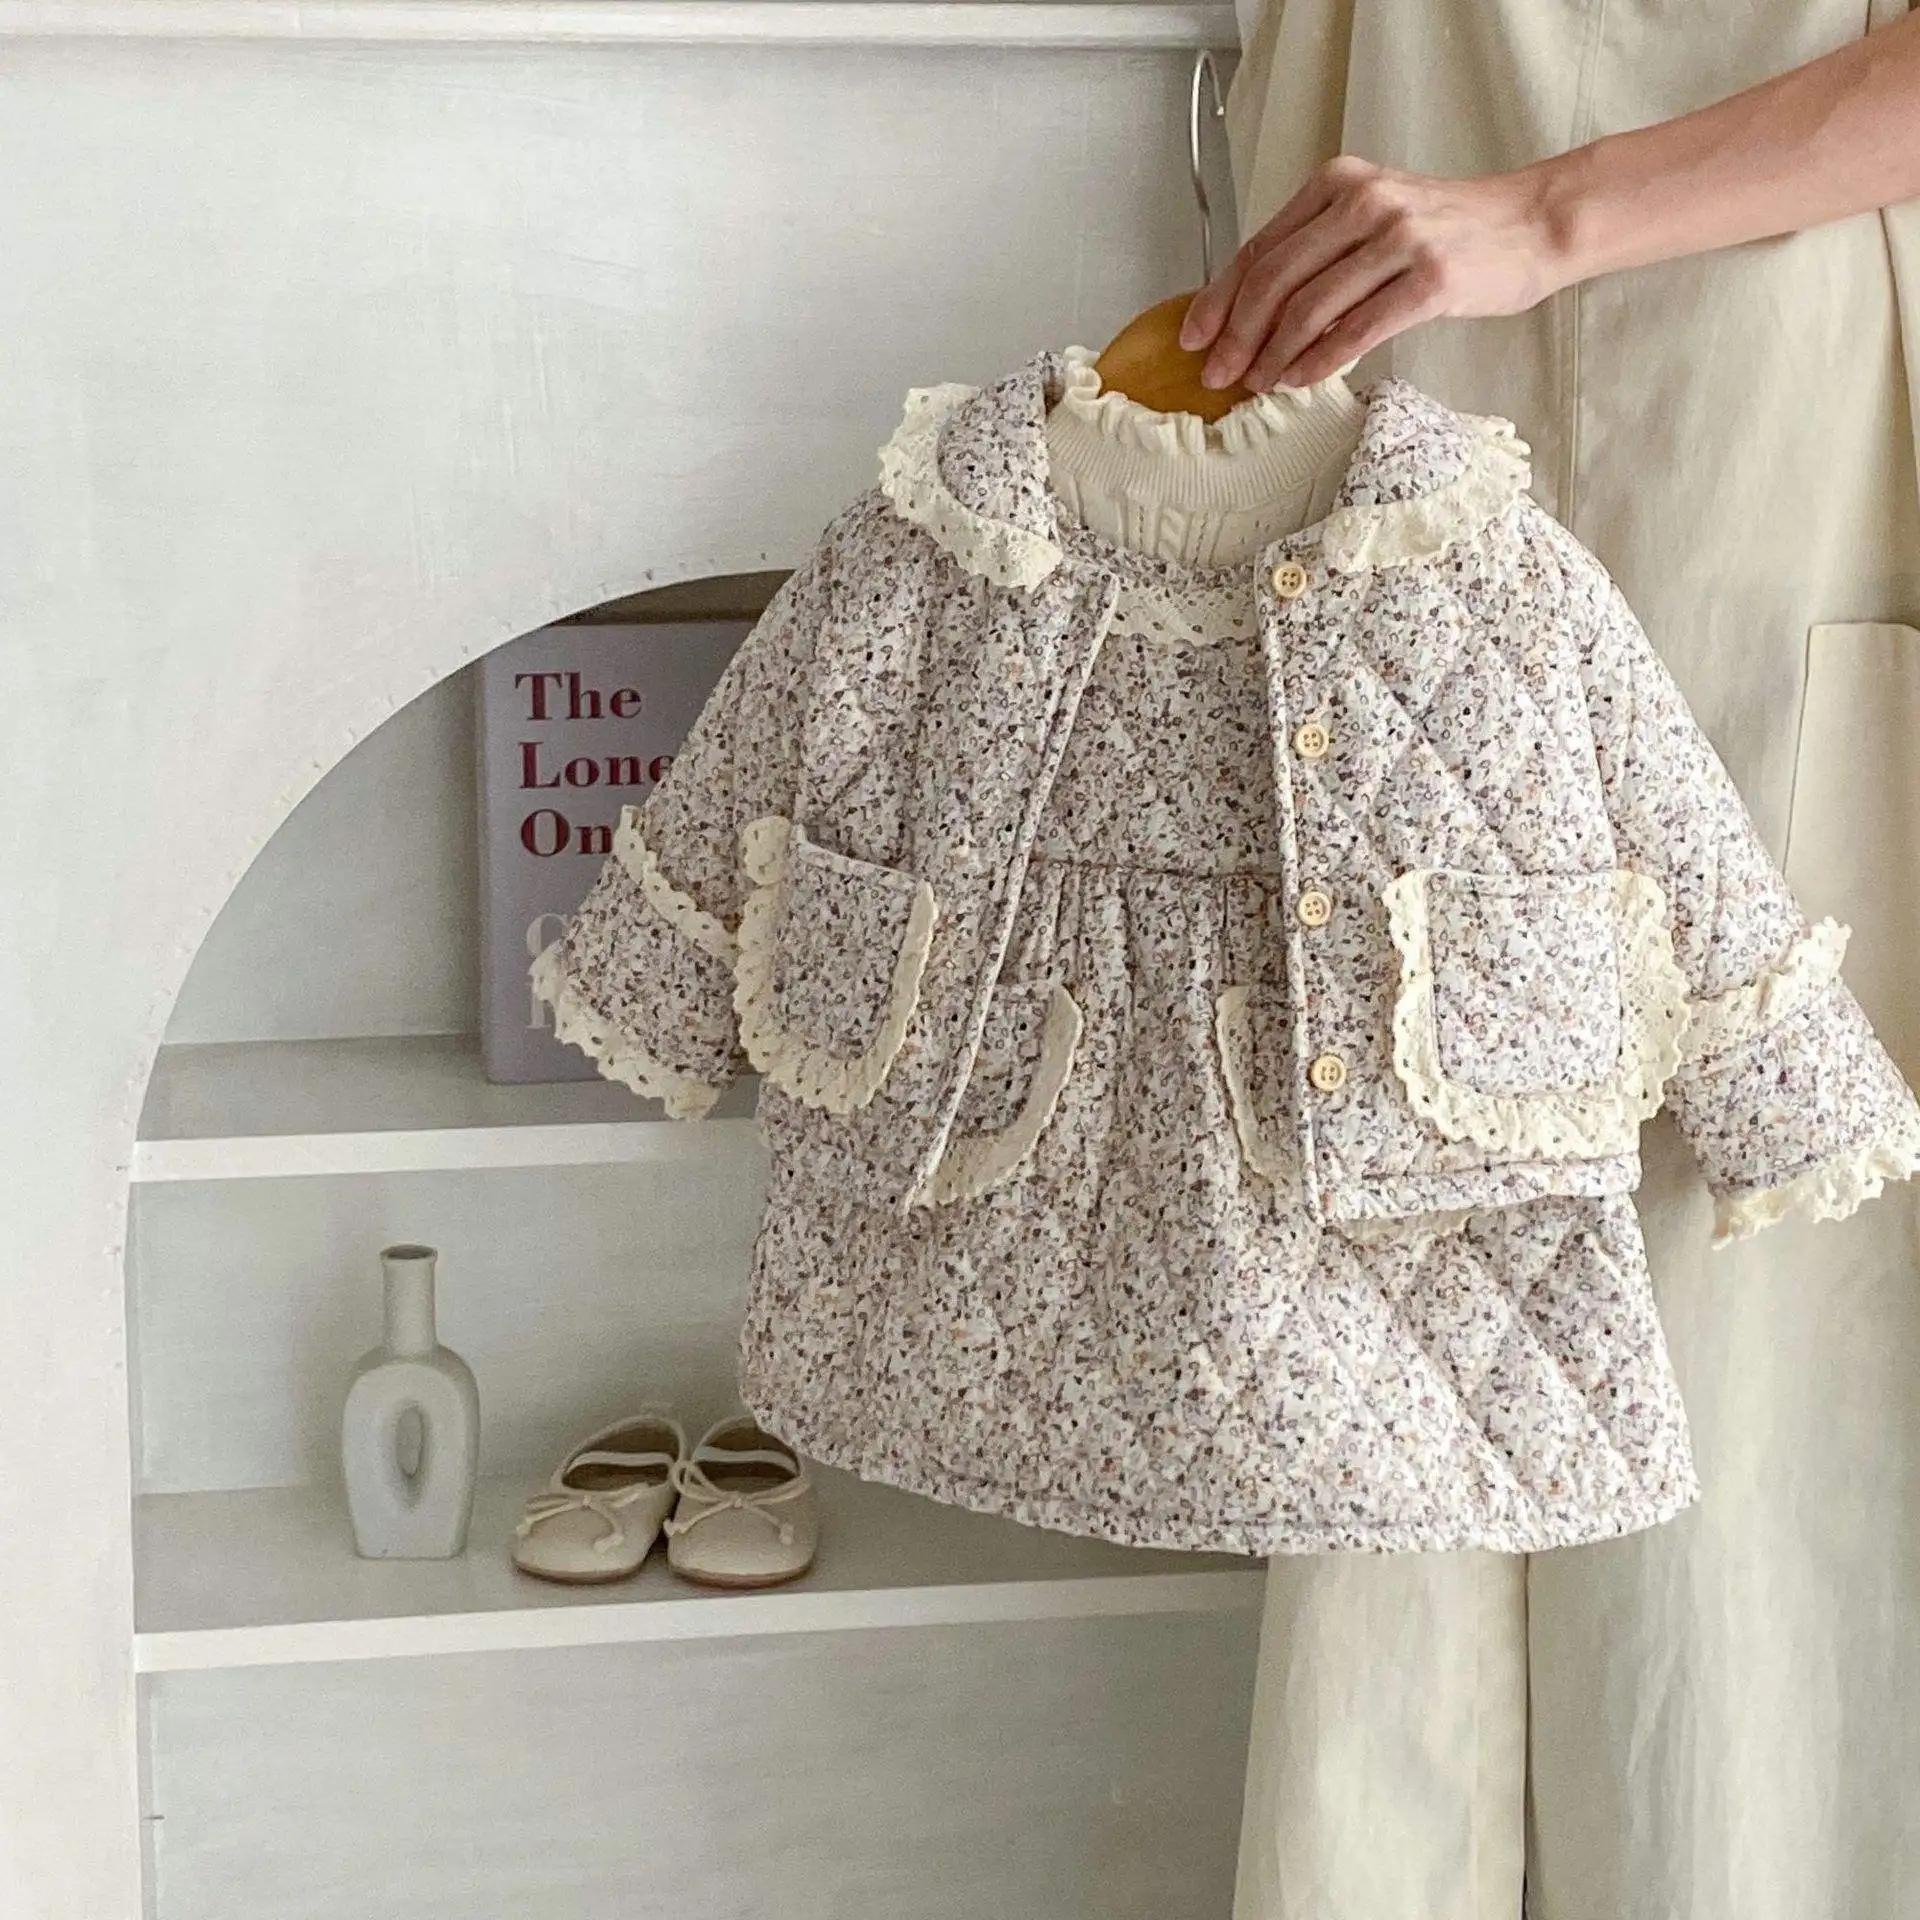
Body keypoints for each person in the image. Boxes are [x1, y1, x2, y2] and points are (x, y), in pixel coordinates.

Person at [1180, 8, 1920, 1920]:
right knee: (1385, 1323)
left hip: (1777, 415)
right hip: (1392, 369)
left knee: (1747, 1381)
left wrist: (1540, 216)